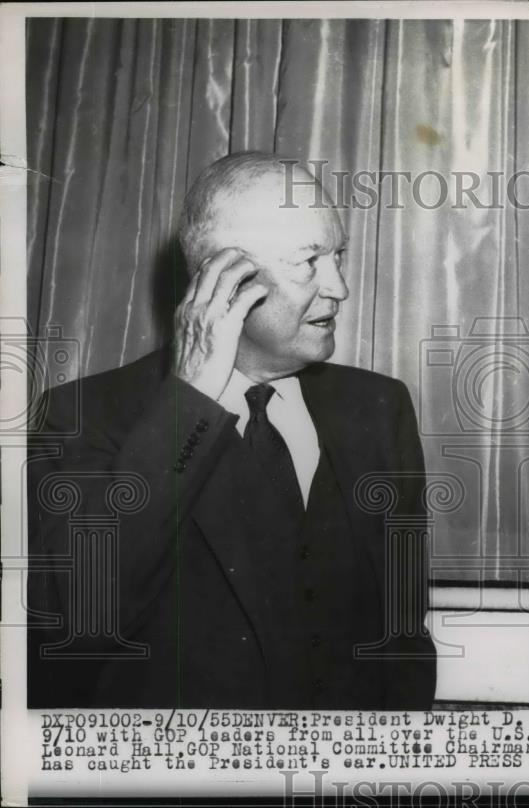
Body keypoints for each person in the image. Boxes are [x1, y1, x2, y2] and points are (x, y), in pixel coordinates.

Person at [27, 152, 436, 709]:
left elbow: (403, 628)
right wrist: (190, 399)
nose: (338, 287)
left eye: (338, 256)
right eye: (308, 262)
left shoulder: (379, 406)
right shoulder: (87, 414)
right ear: (225, 279)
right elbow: (75, 618)